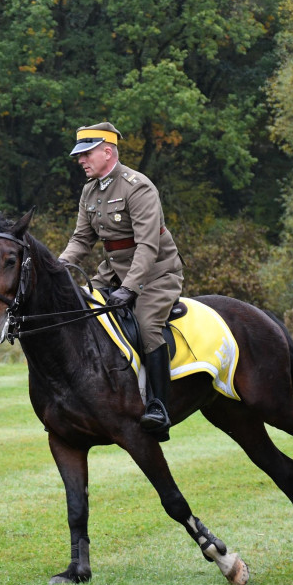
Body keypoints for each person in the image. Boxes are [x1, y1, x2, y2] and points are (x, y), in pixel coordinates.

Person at [58, 122, 184, 440]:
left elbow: (147, 247)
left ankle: (158, 406)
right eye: (79, 155)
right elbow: (80, 240)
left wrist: (129, 288)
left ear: (107, 151)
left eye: (86, 154)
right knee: (80, 312)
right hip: (112, 273)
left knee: (146, 324)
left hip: (156, 274)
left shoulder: (137, 187)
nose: (81, 160)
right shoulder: (89, 191)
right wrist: (56, 269)